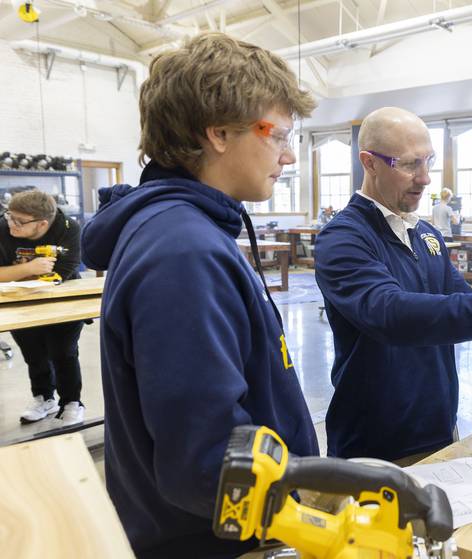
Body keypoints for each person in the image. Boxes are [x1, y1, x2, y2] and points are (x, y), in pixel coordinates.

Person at [80, 33, 318, 558]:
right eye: (277, 134)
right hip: (213, 542)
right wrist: (315, 529)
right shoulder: (182, 251)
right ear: (218, 133)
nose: (290, 155)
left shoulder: (183, 231)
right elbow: (205, 460)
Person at [314, 106, 472, 464]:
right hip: (374, 443)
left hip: (436, 432)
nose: (425, 179)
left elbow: (463, 307)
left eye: (429, 162)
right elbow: (390, 314)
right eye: (409, 165)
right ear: (369, 162)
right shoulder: (343, 238)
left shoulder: (425, 235)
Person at [0, 189, 85, 425]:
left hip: (61, 299)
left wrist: (12, 274)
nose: (11, 225)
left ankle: (71, 402)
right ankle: (44, 398)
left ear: (42, 224)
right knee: (33, 354)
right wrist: (29, 269)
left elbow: (62, 273)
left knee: (63, 352)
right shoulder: (2, 227)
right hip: (18, 300)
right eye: (9, 216)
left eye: (19, 221)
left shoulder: (68, 229)